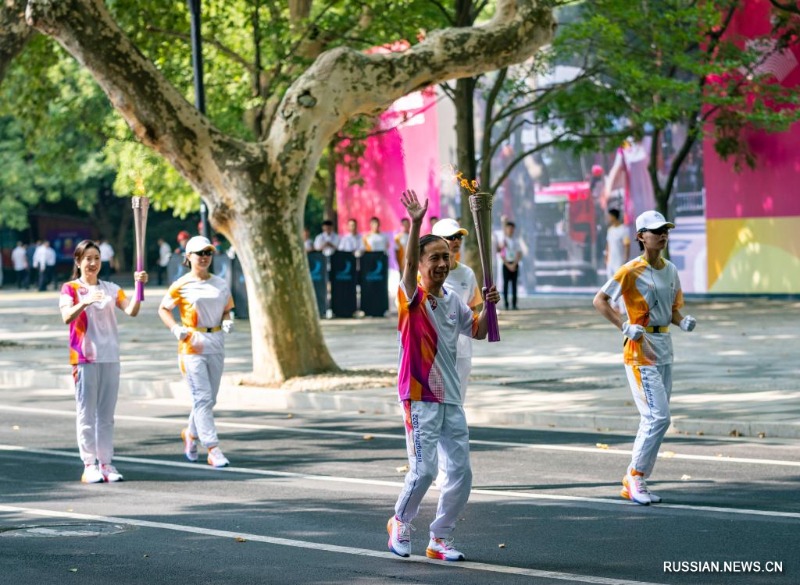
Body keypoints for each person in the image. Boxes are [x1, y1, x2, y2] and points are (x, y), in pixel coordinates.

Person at [387, 189, 500, 562]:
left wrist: (489, 306)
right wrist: (417, 222)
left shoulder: (452, 298)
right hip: (419, 395)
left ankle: (441, 537)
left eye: (446, 257)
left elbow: (479, 332)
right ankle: (400, 520)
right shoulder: (411, 295)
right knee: (424, 470)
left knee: (462, 473)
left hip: (451, 396)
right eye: (433, 257)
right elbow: (405, 267)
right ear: (419, 264)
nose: (442, 263)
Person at [592, 210, 697, 506]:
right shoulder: (629, 270)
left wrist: (682, 320)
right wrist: (623, 324)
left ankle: (637, 478)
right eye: (655, 231)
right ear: (641, 237)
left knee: (655, 419)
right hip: (640, 351)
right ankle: (634, 477)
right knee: (658, 417)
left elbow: (673, 309)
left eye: (665, 230)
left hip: (664, 346)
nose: (662, 235)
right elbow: (600, 300)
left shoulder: (671, 270)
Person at [59, 239, 148, 483]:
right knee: (86, 413)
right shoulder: (70, 288)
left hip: (110, 356)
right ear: (78, 261)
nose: (93, 263)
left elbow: (131, 310)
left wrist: (139, 289)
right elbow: (67, 316)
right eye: (87, 258)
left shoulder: (111, 288)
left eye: (96, 258)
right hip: (84, 357)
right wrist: (85, 301)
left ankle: (106, 463)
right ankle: (89, 465)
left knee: (106, 415)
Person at [158, 236, 235, 468]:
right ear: (188, 257)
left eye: (208, 253)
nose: (204, 257)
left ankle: (190, 434)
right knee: (202, 397)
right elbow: (163, 309)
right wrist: (175, 328)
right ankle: (213, 448)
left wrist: (227, 320)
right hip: (191, 343)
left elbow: (227, 310)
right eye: (199, 253)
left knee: (209, 399)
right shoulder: (181, 284)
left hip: (216, 341)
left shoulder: (220, 283)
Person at [497, 221, 522, 310]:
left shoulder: (516, 241)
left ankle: (514, 304)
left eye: (512, 228)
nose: (510, 230)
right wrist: (508, 265)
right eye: (508, 228)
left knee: (514, 285)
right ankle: (506, 304)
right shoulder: (503, 241)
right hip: (506, 264)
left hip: (514, 264)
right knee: (506, 285)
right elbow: (501, 254)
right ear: (506, 229)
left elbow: (519, 253)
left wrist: (514, 264)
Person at [604, 208, 631, 280]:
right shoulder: (610, 230)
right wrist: (606, 256)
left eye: (609, 216)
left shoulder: (623, 230)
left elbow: (627, 246)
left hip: (619, 262)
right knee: (610, 283)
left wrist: (625, 260)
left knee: (619, 282)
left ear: (614, 217)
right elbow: (608, 244)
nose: (608, 218)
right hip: (610, 262)